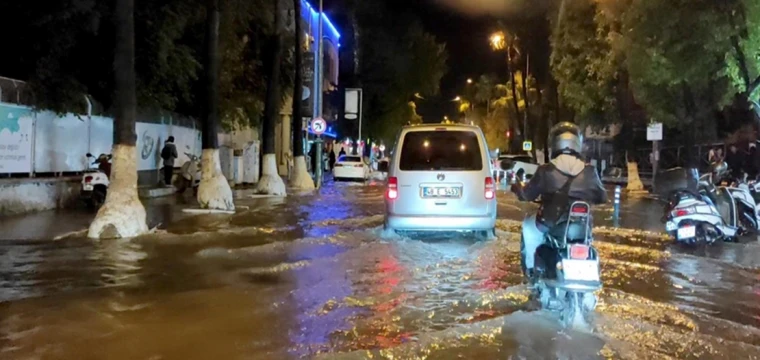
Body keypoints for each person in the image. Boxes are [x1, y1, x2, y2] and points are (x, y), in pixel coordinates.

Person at [511, 122, 608, 279]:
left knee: (528, 227)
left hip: (551, 223)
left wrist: (517, 188)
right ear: (577, 143)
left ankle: (530, 272)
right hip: (582, 228)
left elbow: (527, 195)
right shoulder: (590, 171)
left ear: (555, 143)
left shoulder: (546, 170)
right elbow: (602, 197)